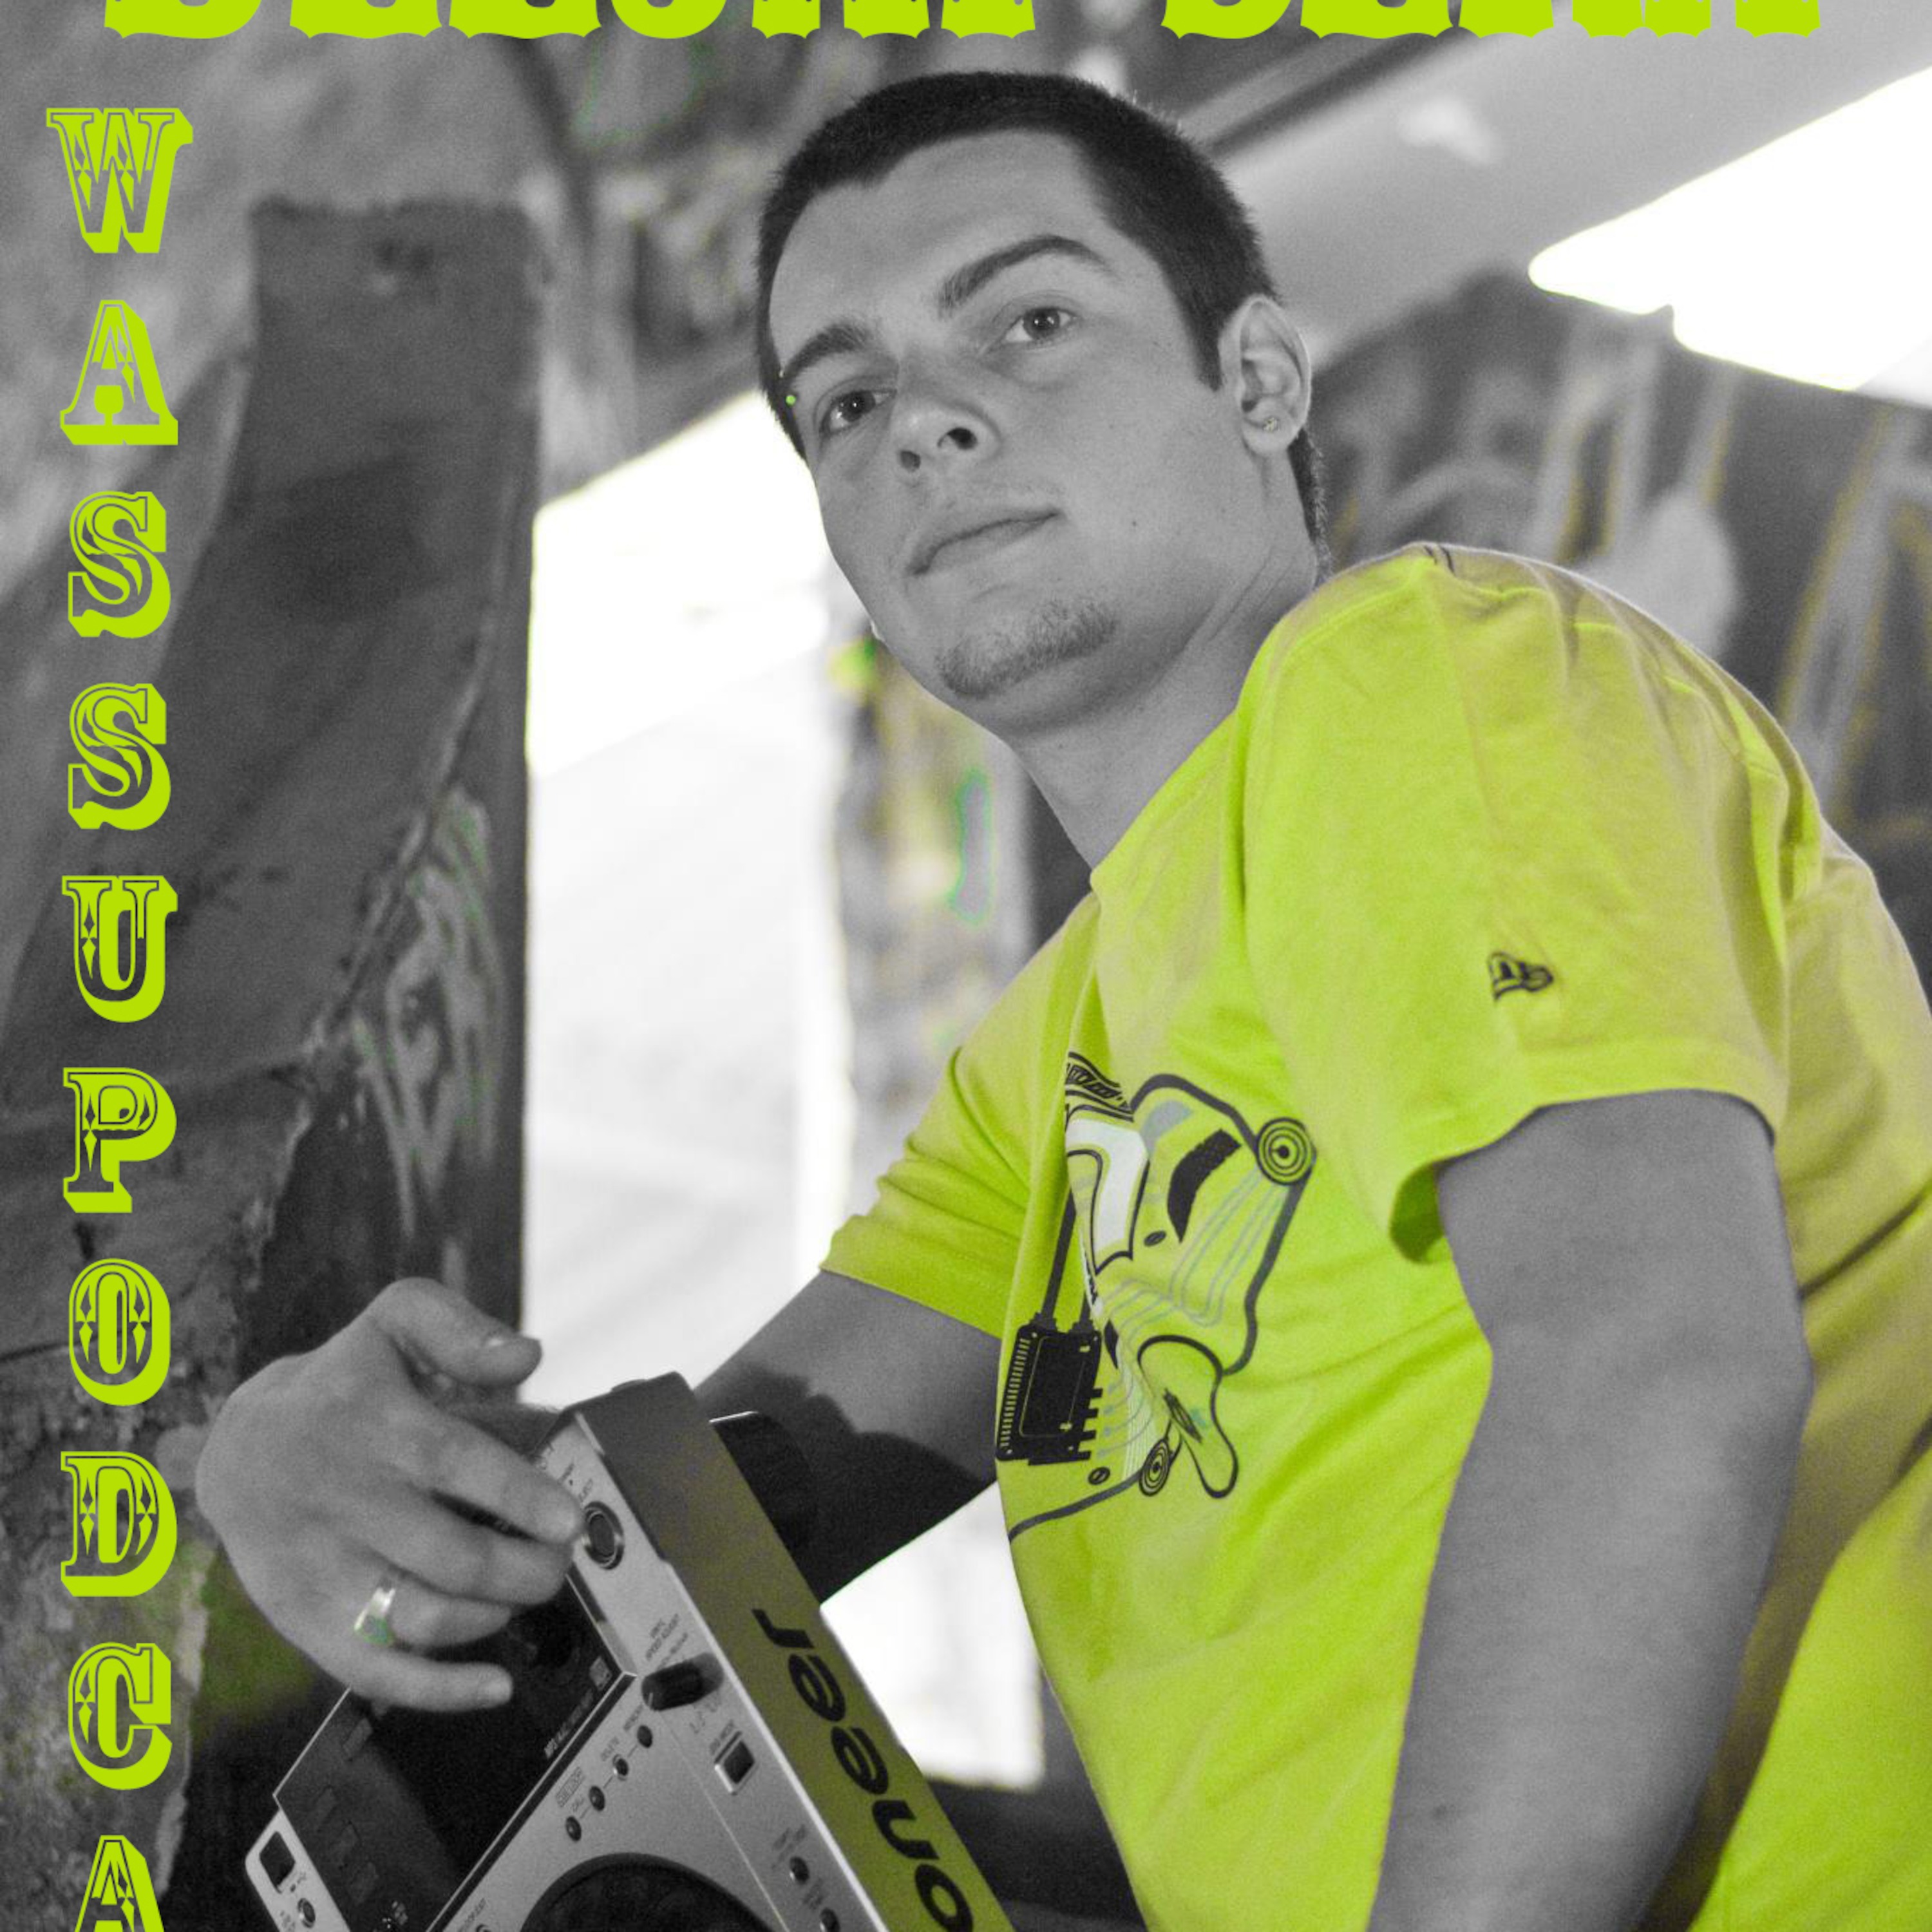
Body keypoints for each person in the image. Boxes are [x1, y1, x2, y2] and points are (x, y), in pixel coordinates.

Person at [197, 68, 1932, 1932]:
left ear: (1257, 381)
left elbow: (1654, 1366)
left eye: (1028, 321)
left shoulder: (1416, 672)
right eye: (845, 402)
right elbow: (636, 1558)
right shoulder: (1051, 1078)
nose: (925, 422)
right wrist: (270, 1463)